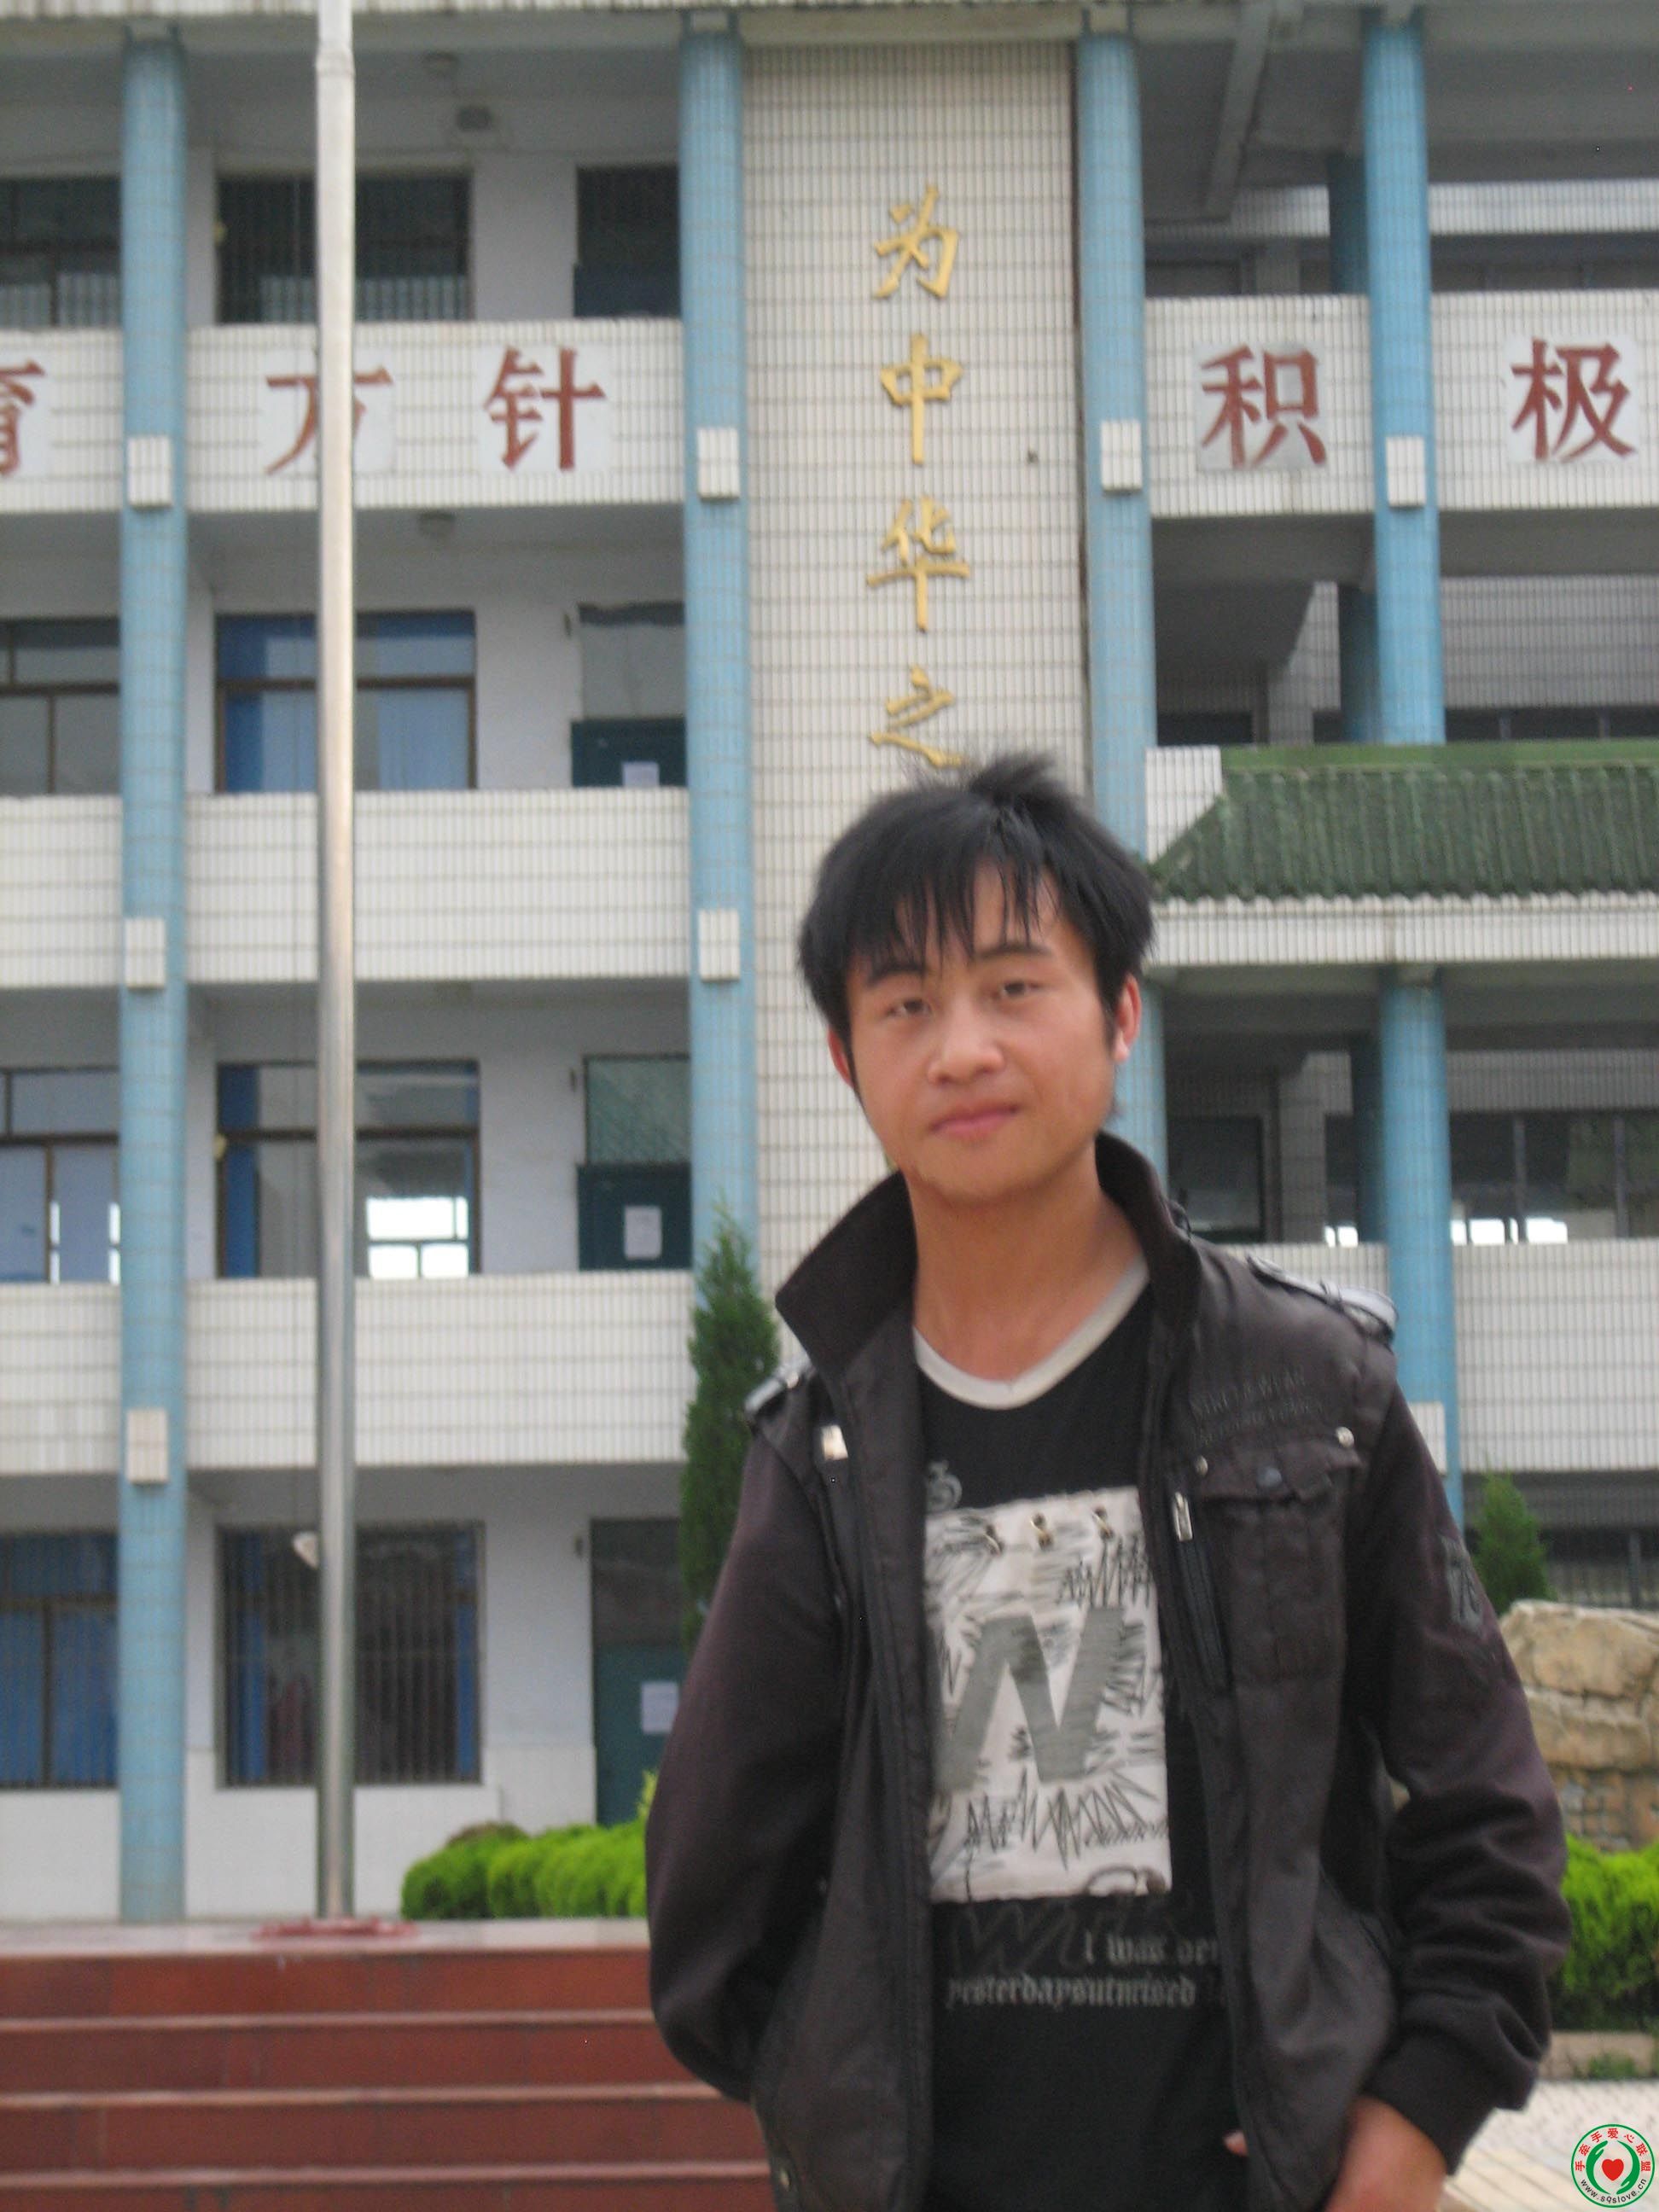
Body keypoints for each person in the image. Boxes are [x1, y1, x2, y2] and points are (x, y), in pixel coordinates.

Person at [645, 753, 1569, 2212]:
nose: (963, 1050)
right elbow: (713, 1900)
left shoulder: (1309, 1391)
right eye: (906, 1006)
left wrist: (1406, 2129)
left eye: (1016, 987)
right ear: (846, 1059)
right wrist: (834, 2113)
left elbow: (1487, 1815)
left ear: (1120, 1013)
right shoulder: (814, 1456)